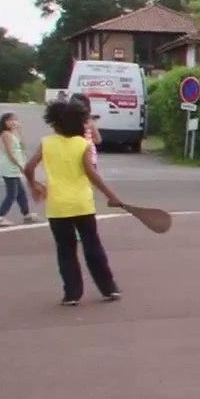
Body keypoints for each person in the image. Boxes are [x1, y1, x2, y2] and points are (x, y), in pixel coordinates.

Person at [23, 101, 124, 307]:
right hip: (82, 204)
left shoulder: (46, 143)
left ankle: (72, 294)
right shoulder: (82, 144)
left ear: (54, 123)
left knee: (65, 250)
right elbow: (91, 173)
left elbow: (29, 167)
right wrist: (111, 195)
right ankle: (109, 288)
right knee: (92, 246)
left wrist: (34, 186)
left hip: (58, 206)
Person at [0, 112, 38, 226]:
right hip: (10, 167)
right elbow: (10, 153)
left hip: (14, 167)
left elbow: (23, 146)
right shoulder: (5, 135)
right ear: (4, 122)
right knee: (12, 194)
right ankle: (0, 216)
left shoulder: (12, 134)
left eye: (15, 120)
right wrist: (20, 166)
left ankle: (26, 214)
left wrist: (19, 131)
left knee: (21, 193)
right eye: (10, 120)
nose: (13, 122)